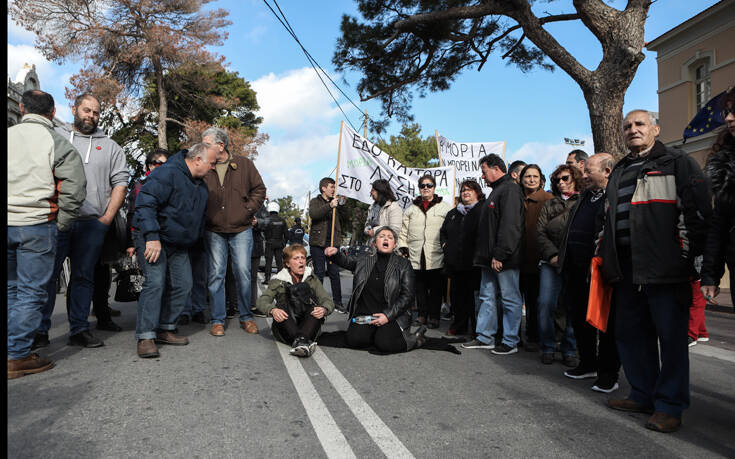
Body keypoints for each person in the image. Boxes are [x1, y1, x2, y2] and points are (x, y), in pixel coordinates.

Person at [599, 109, 711, 433]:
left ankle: (669, 406)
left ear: (656, 129)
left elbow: (698, 214)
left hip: (666, 268)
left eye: (640, 124)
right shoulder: (619, 169)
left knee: (671, 340)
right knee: (631, 335)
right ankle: (642, 394)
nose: (633, 130)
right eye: (627, 126)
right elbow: (607, 220)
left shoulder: (677, 162)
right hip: (626, 270)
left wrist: (689, 259)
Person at [35, 93, 129, 349]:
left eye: (96, 112)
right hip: (56, 219)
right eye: (86, 110)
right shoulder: (57, 137)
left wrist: (106, 218)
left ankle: (78, 329)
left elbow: (121, 182)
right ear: (75, 109)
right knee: (48, 276)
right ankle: (39, 330)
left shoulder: (111, 147)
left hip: (92, 223)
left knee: (84, 277)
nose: (91, 116)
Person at [8, 90, 87, 378]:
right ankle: (16, 355)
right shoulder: (55, 141)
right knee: (30, 292)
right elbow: (75, 185)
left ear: (21, 107)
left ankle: (12, 348)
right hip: (37, 224)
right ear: (53, 112)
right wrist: (61, 223)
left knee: (11, 288)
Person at [132, 142, 217, 358]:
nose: (213, 167)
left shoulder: (201, 185)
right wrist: (151, 237)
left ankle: (165, 328)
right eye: (212, 163)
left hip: (179, 244)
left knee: (183, 284)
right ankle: (145, 335)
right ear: (198, 159)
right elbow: (146, 203)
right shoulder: (167, 173)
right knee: (156, 282)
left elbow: (197, 220)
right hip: (155, 238)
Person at [559, 153, 621, 392]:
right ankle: (588, 363)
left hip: (599, 271)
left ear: (606, 172)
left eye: (589, 171)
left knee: (605, 323)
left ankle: (608, 373)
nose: (583, 176)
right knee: (579, 317)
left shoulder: (614, 195)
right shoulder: (585, 196)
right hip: (575, 269)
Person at [201, 127, 267, 337]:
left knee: (243, 273)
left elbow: (260, 189)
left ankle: (246, 317)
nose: (203, 149)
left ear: (221, 146)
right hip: (214, 229)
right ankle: (218, 320)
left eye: (206, 144)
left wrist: (247, 210)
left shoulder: (245, 164)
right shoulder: (204, 166)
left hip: (241, 228)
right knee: (216, 275)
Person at [325, 227, 427, 353]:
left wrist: (387, 316)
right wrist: (335, 254)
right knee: (354, 340)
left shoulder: (404, 264)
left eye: (390, 237)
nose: (386, 239)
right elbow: (346, 261)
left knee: (385, 344)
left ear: (394, 244)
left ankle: (416, 339)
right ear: (374, 242)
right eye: (382, 236)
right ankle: (372, 333)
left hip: (392, 315)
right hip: (365, 314)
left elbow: (408, 296)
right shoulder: (364, 259)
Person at [463, 154, 524, 355]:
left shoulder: (510, 190)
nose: (482, 176)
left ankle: (510, 340)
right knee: (487, 297)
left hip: (502, 259)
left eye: (484, 170)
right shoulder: (496, 191)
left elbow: (510, 225)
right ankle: (485, 336)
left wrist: (500, 254)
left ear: (496, 168)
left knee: (509, 298)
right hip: (489, 259)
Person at [536, 164, 583, 366]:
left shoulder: (583, 201)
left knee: (572, 305)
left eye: (565, 178)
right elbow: (539, 233)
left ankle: (569, 349)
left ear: (575, 179)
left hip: (574, 261)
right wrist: (552, 255)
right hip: (550, 261)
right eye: (557, 180)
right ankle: (547, 346)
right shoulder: (550, 204)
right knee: (545, 303)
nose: (561, 183)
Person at [256, 244, 334, 357]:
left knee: (315, 308)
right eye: (296, 258)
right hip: (286, 327)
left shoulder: (312, 278)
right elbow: (262, 302)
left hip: (308, 325)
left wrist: (324, 309)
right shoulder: (278, 280)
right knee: (281, 307)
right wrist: (272, 310)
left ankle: (300, 341)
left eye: (303, 258)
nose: (301, 261)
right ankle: (303, 341)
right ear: (288, 264)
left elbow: (327, 300)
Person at [398, 174, 451, 329]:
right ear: (419, 188)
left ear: (434, 188)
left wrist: (448, 246)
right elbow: (403, 231)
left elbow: (451, 229)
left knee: (436, 289)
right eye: (423, 186)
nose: (426, 188)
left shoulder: (445, 207)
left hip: (436, 255)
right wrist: (403, 246)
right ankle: (422, 315)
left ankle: (434, 317)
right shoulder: (411, 209)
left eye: (429, 185)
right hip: (415, 255)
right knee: (419, 289)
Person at [701, 88, 735, 311]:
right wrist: (710, 275)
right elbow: (719, 226)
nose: (729, 118)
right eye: (728, 112)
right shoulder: (724, 167)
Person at [440, 180, 485, 336]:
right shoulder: (453, 213)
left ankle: (477, 330)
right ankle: (459, 326)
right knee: (458, 298)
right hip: (456, 264)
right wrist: (445, 245)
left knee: (476, 299)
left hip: (475, 264)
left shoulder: (483, 210)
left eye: (470, 190)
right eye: (463, 190)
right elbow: (443, 232)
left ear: (477, 192)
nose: (466, 192)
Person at [518, 164, 553, 352]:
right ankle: (526, 335)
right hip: (518, 258)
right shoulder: (516, 199)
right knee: (523, 299)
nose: (531, 179)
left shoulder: (549, 199)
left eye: (535, 176)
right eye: (528, 176)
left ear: (541, 179)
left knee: (539, 301)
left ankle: (538, 336)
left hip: (539, 258)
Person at [308, 177, 347, 313]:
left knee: (334, 273)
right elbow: (314, 214)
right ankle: (316, 301)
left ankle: (338, 302)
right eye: (331, 187)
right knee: (319, 273)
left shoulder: (336, 202)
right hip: (318, 243)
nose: (333, 189)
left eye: (334, 187)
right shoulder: (315, 201)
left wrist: (342, 204)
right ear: (323, 188)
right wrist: (329, 206)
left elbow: (345, 218)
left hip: (332, 243)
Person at [263, 201, 288, 284]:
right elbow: (286, 235)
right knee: (279, 262)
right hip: (279, 243)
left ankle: (267, 279)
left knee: (268, 262)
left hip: (269, 243)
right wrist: (284, 243)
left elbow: (264, 232)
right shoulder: (283, 221)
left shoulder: (267, 220)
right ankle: (281, 279)